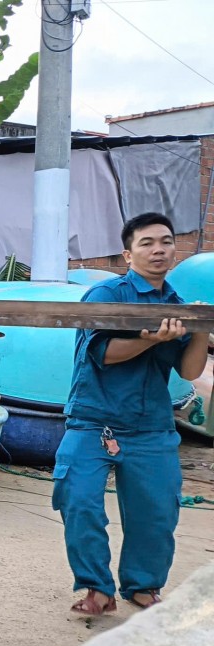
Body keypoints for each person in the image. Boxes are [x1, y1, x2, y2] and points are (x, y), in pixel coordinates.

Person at [53, 212, 209, 617]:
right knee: (79, 501)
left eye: (166, 241)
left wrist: (201, 329)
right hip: (93, 419)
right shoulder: (105, 296)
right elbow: (105, 354)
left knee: (156, 512)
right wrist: (151, 340)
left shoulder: (176, 304)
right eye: (147, 243)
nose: (158, 249)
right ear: (128, 253)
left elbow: (190, 372)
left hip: (151, 426)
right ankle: (96, 589)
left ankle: (142, 587)